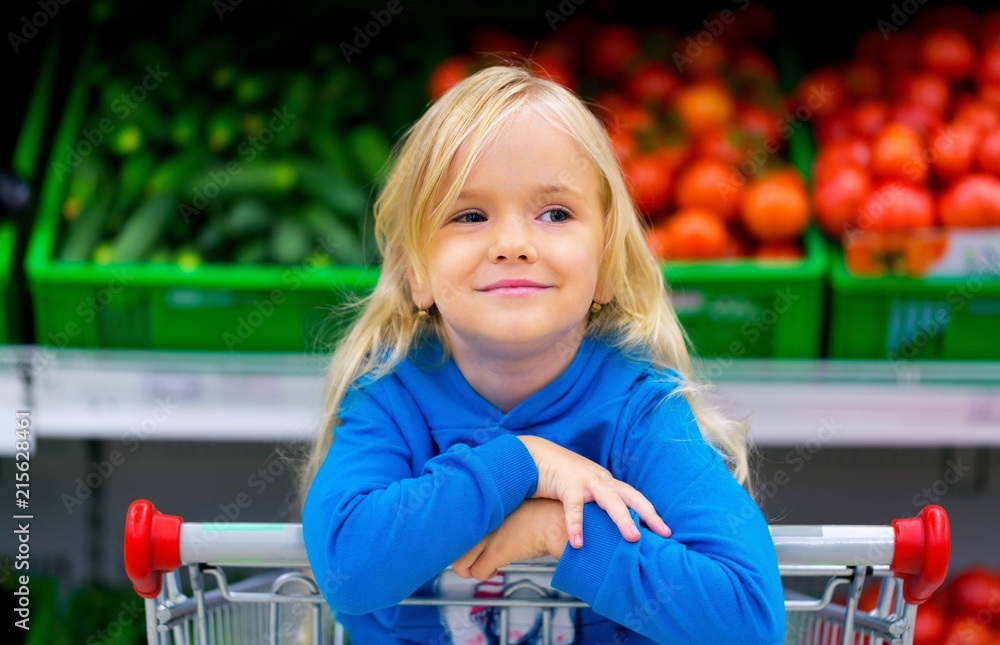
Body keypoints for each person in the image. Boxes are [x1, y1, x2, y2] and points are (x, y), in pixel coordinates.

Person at [300, 64, 785, 644]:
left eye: (555, 214)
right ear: (416, 273)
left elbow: (750, 620)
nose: (513, 245)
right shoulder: (390, 400)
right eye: (469, 215)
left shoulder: (639, 413)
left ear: (606, 263)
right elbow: (347, 571)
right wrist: (524, 463)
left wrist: (559, 531)